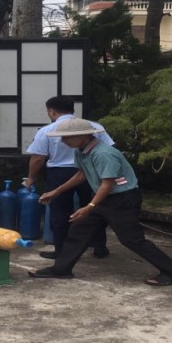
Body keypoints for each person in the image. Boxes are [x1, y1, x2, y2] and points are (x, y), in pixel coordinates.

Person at [28, 118, 172, 286]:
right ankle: (61, 269)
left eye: (67, 137)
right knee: (78, 231)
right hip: (104, 198)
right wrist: (56, 191)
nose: (63, 141)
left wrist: (89, 207)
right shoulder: (81, 151)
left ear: (83, 136)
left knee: (131, 239)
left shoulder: (103, 153)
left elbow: (107, 184)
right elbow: (81, 175)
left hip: (122, 199)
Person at [26, 96, 112, 260]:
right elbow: (109, 149)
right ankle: (99, 246)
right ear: (73, 109)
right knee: (93, 208)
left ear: (51, 111)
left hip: (58, 174)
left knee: (59, 211)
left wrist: (31, 177)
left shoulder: (47, 130)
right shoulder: (95, 126)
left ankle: (61, 251)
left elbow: (38, 158)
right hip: (89, 172)